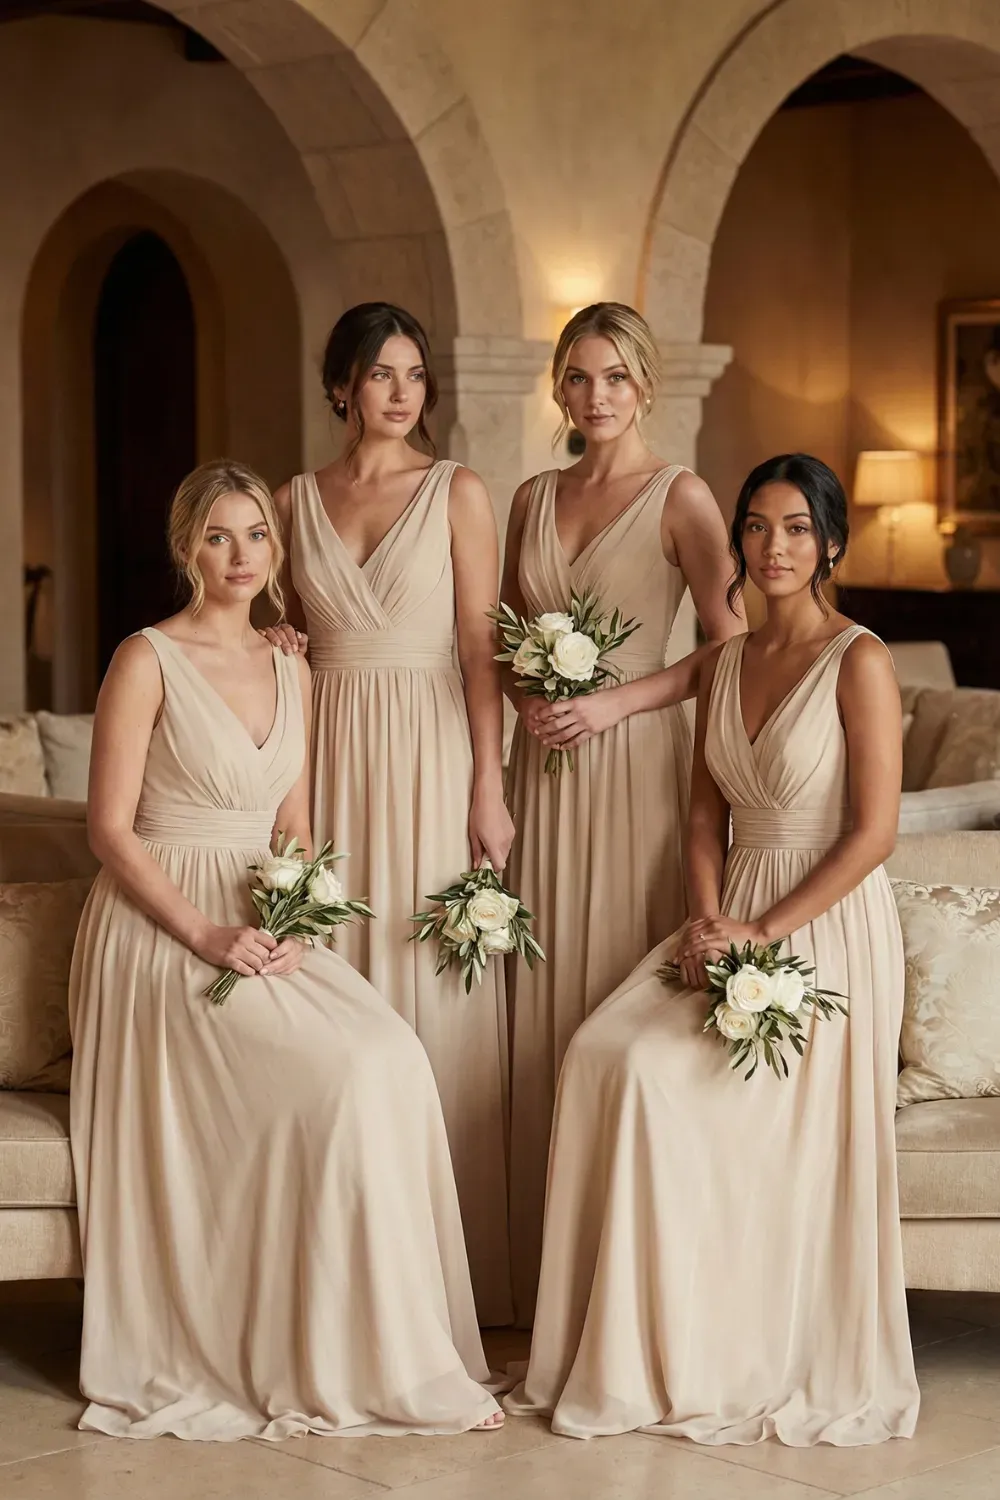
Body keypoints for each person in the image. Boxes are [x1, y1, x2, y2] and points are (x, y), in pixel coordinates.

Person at [70, 459, 504, 1440]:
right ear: (189, 546)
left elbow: (296, 830)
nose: (239, 555)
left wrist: (291, 919)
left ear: (278, 549)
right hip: (159, 932)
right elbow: (109, 831)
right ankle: (286, 1347)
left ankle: (386, 1353)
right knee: (339, 1076)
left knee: (390, 1057)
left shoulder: (291, 666)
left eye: (255, 536)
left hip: (258, 918)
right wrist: (205, 932)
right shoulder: (144, 658)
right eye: (218, 536)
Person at [505, 453, 919, 1444]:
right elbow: (701, 817)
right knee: (600, 1053)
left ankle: (724, 1347)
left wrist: (762, 933)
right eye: (755, 527)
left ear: (828, 543)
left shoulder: (858, 657)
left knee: (656, 1076)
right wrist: (704, 924)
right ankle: (629, 1348)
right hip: (725, 913)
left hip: (823, 927)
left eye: (793, 529)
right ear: (734, 542)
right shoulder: (725, 660)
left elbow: (874, 833)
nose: (772, 547)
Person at [265, 304, 514, 1325]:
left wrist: (488, 786)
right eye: (380, 374)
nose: (401, 391)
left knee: (428, 986)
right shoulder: (288, 499)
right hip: (323, 753)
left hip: (428, 747)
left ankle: (449, 1282)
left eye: (414, 374)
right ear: (341, 387)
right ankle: (347, 1274)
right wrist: (276, 647)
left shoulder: (455, 490)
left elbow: (477, 647)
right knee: (336, 984)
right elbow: (263, 623)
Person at [501, 301, 743, 1323]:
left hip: (639, 767)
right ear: (557, 388)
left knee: (616, 990)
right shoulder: (528, 497)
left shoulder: (680, 498)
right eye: (575, 377)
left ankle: (627, 1286)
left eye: (612, 377)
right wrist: (531, 702)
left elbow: (729, 646)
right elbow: (503, 638)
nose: (593, 396)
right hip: (541, 773)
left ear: (645, 385)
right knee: (537, 998)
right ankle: (533, 1274)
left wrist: (613, 702)